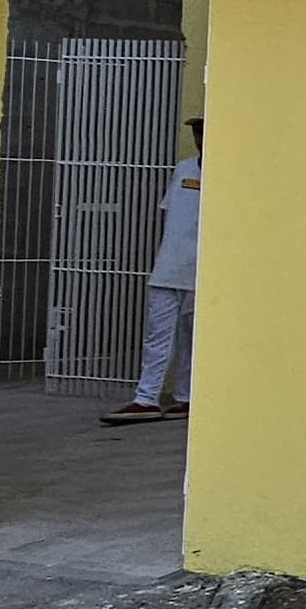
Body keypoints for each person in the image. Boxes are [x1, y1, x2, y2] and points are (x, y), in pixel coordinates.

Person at [103, 116, 202, 425]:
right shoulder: (184, 168)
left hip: (200, 272)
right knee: (158, 335)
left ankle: (186, 397)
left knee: (191, 338)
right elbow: (168, 213)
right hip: (169, 267)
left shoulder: (229, 174)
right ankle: (146, 398)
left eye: (204, 132)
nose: (200, 138)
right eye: (196, 133)